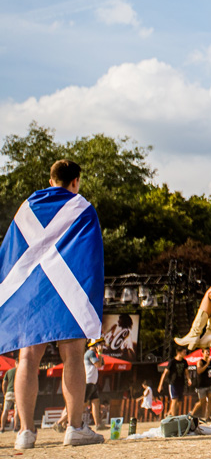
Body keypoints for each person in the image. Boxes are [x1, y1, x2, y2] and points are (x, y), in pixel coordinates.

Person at [0, 160, 106, 448]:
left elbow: (11, 251)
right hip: (66, 291)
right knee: (73, 355)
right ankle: (74, 427)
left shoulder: (27, 207)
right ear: (75, 181)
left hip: (30, 291)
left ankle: (24, 433)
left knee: (27, 358)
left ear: (51, 179)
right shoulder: (82, 207)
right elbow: (90, 256)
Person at [158, 345, 189, 417]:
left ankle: (169, 414)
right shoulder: (172, 362)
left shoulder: (184, 362)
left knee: (179, 402)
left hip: (181, 383)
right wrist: (160, 385)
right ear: (179, 352)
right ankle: (174, 417)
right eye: (184, 352)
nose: (185, 353)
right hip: (173, 383)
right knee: (174, 400)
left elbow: (186, 373)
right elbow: (165, 373)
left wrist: (189, 379)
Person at [82, 339, 104, 427]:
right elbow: (98, 365)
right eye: (101, 345)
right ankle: (61, 422)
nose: (102, 347)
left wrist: (100, 355)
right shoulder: (90, 353)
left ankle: (98, 424)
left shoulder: (92, 354)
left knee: (96, 401)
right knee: (83, 404)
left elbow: (101, 364)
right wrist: (100, 353)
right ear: (96, 344)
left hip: (92, 382)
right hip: (89, 381)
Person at [192, 347, 211, 420]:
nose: (208, 353)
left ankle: (208, 416)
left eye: (209, 352)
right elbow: (199, 371)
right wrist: (207, 364)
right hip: (201, 384)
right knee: (202, 402)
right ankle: (192, 413)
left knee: (210, 400)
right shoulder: (200, 362)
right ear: (202, 353)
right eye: (206, 352)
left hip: (210, 383)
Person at [1, 355, 17, 432]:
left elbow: (4, 383)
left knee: (5, 410)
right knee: (17, 411)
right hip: (17, 393)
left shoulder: (9, 371)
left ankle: (2, 428)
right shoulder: (21, 371)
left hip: (9, 392)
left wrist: (4, 393)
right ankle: (16, 428)